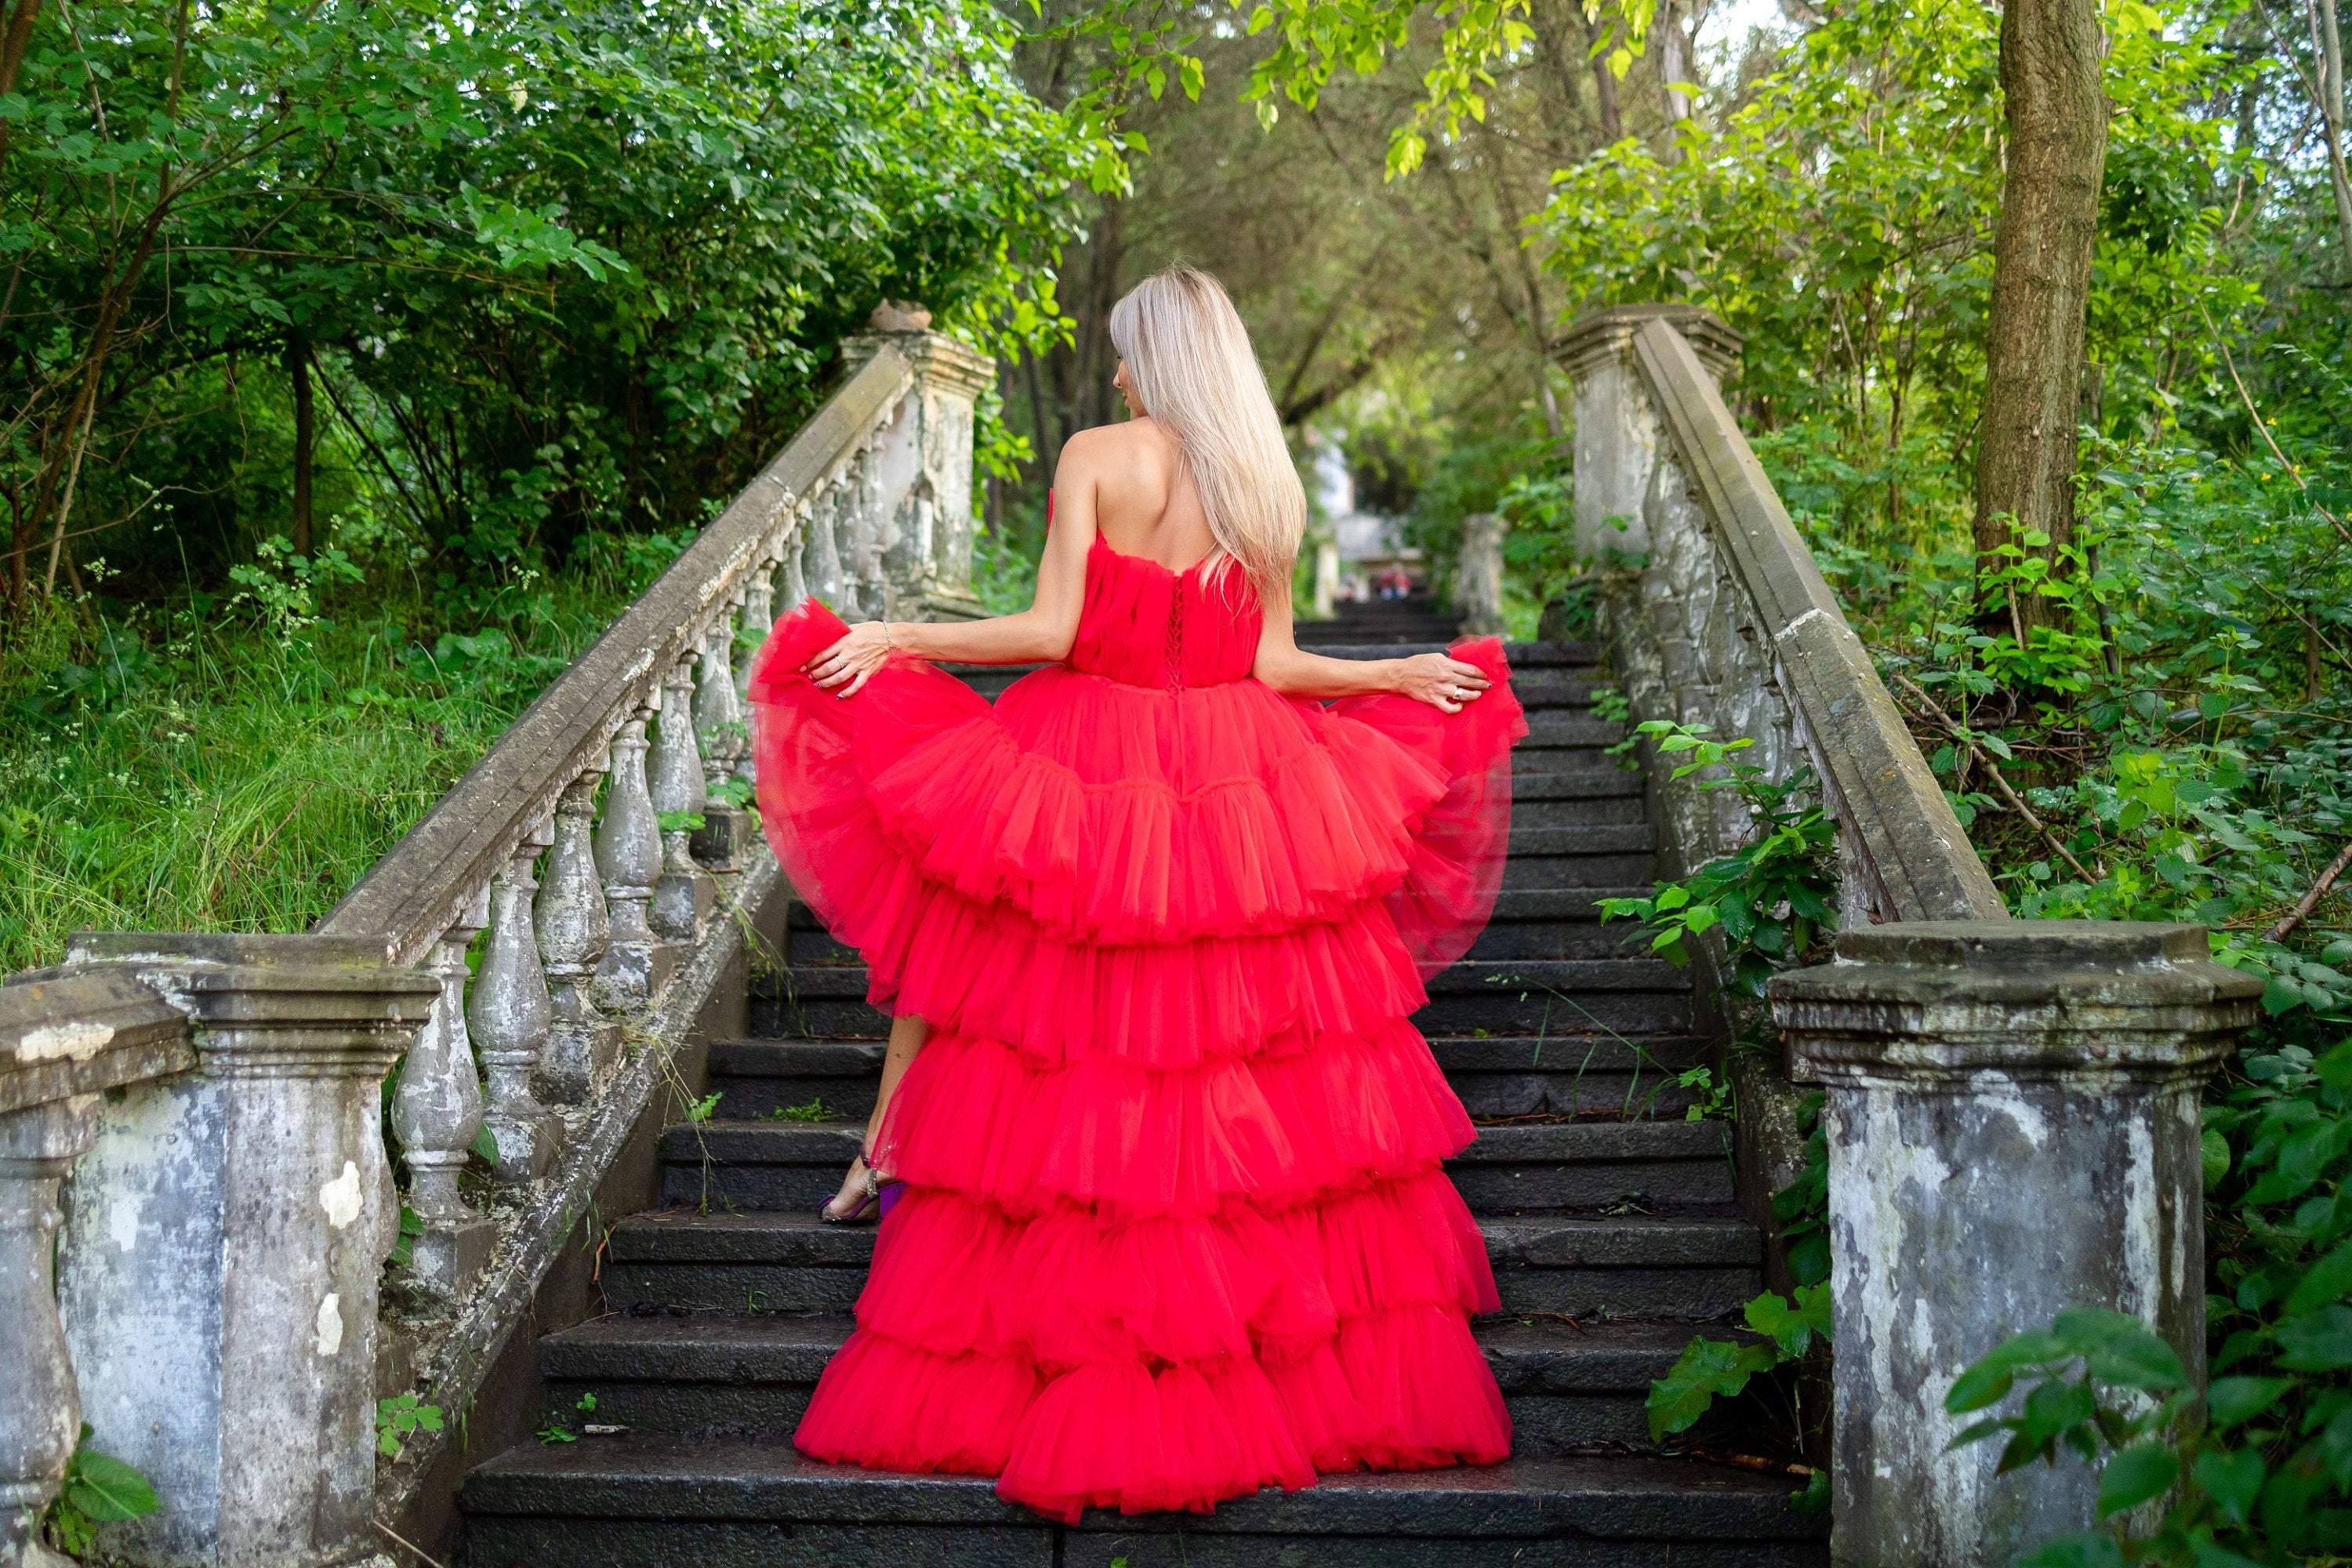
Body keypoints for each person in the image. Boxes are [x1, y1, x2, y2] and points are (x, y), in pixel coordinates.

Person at [746, 264, 1524, 1523]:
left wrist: (899, 640)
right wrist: (1392, 673)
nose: (1113, 374)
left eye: (1123, 353)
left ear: (1153, 358)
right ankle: (1234, 1327)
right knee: (1235, 1035)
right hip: (1238, 766)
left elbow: (1053, 633)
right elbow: (1273, 664)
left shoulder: (1099, 455)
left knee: (1021, 977)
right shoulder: (1259, 484)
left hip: (1089, 748)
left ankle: (894, 1157)